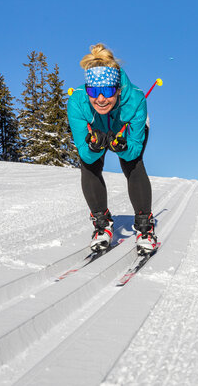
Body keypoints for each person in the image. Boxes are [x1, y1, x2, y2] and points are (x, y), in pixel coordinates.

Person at [67, 43, 158, 255]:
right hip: (97, 127)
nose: (100, 99)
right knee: (89, 166)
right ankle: (102, 223)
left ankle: (145, 226)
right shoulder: (77, 102)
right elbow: (85, 154)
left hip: (124, 128)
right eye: (94, 91)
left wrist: (123, 147)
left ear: (117, 89)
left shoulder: (135, 99)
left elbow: (134, 149)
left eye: (107, 91)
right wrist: (94, 145)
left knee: (132, 164)